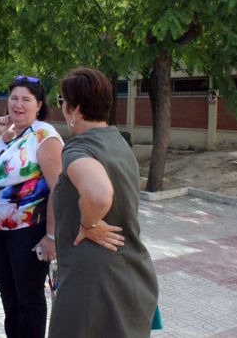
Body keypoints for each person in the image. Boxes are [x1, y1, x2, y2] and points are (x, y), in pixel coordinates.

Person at [48, 67, 159, 338]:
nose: (61, 107)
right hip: (130, 273)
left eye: (62, 101)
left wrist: (88, 223)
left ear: (74, 109)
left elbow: (99, 194)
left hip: (92, 284)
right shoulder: (118, 142)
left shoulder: (79, 148)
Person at [0, 75, 63, 338]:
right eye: (14, 98)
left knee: (28, 299)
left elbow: (59, 189)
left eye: (26, 100)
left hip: (29, 230)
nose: (18, 105)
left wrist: (52, 237)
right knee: (7, 293)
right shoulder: (3, 134)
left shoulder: (44, 136)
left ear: (39, 105)